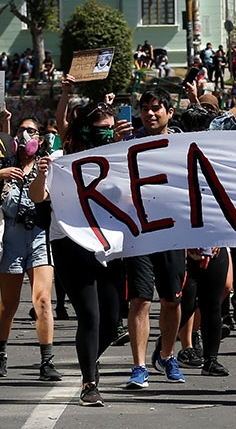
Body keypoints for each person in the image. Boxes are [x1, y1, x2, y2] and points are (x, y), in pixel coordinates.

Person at [30, 100, 124, 405]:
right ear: (86, 129)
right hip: (69, 243)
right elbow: (37, 196)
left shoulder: (117, 156)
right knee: (90, 316)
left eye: (111, 128)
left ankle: (89, 358)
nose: (108, 134)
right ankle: (89, 383)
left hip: (106, 245)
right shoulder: (60, 159)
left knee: (111, 321)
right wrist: (43, 173)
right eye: (102, 129)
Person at [121, 88, 188, 388]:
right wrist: (113, 143)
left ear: (169, 112)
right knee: (140, 300)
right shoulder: (125, 144)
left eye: (157, 107)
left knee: (171, 301)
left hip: (173, 232)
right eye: (145, 107)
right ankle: (139, 366)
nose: (150, 113)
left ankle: (168, 355)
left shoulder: (185, 144)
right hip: (139, 232)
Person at [0, 117, 61, 382]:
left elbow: (44, 198)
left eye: (32, 131)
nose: (27, 135)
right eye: (22, 130)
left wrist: (42, 173)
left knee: (43, 300)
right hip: (11, 239)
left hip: (39, 237)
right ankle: (1, 354)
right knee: (8, 305)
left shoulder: (45, 166)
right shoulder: (5, 164)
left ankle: (47, 361)